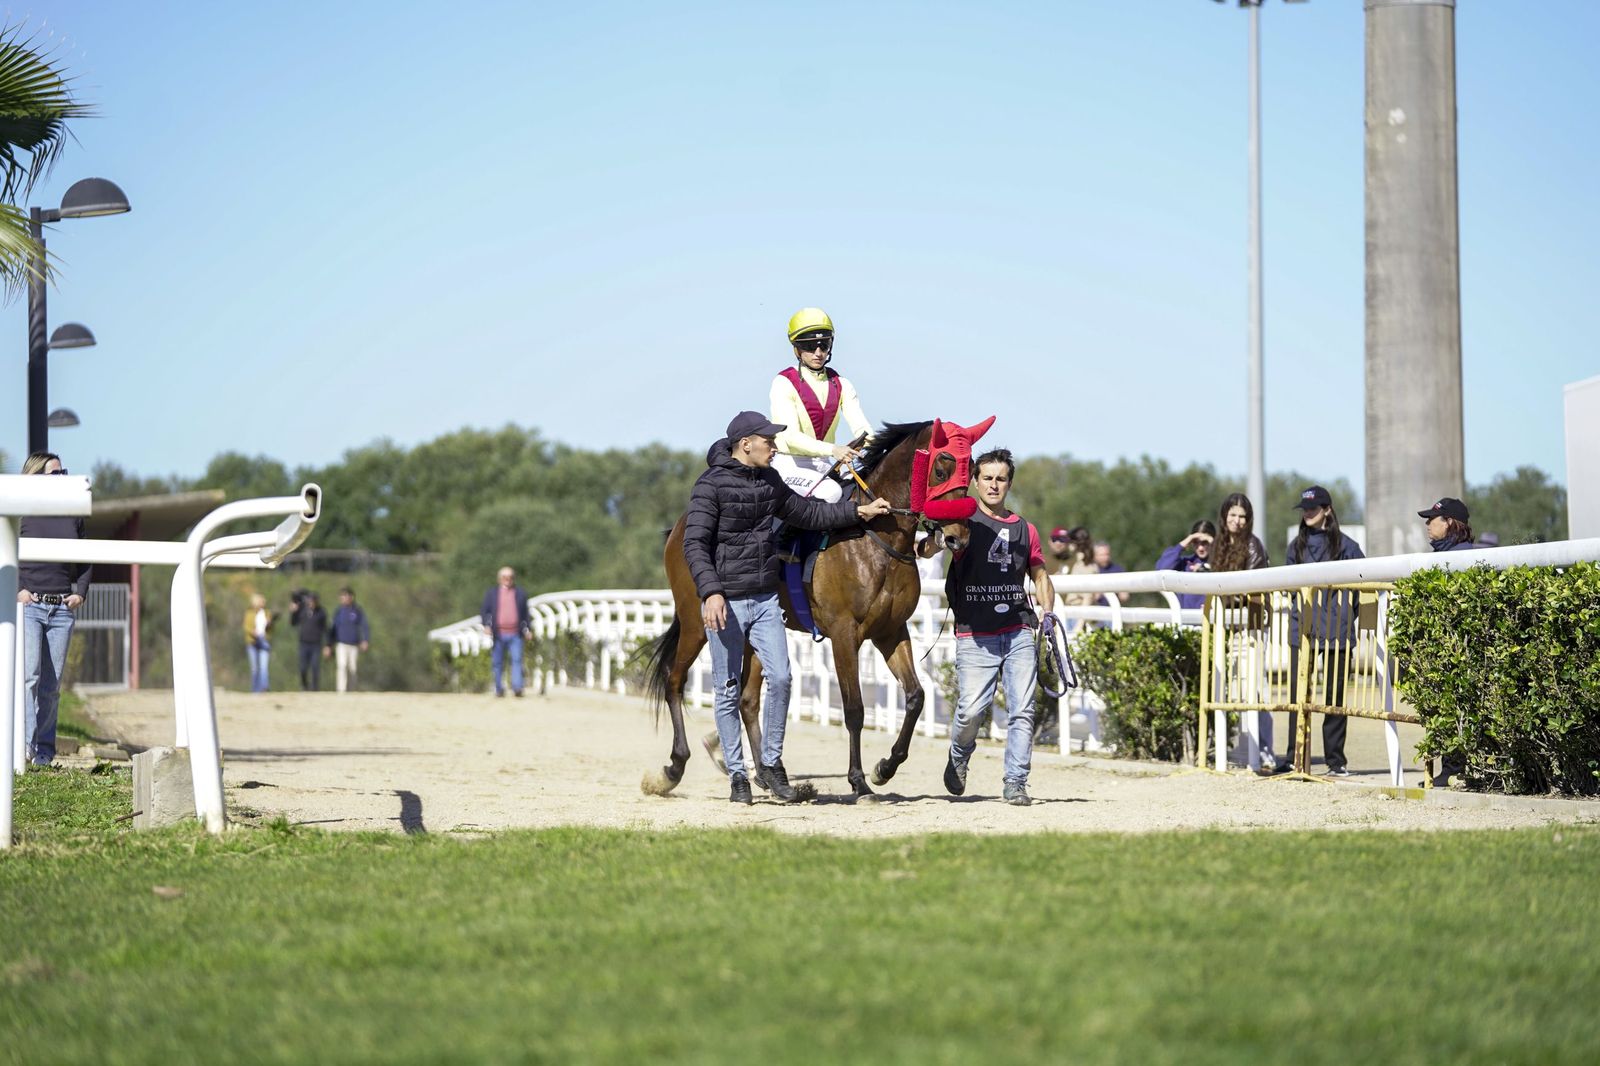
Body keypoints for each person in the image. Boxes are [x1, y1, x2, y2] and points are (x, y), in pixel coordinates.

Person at [685, 410, 891, 804]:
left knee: (780, 678)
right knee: (728, 690)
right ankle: (738, 776)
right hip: (726, 601)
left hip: (765, 599)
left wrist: (857, 511)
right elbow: (694, 543)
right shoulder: (710, 485)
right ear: (746, 444)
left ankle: (770, 764)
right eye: (768, 440)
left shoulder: (770, 480)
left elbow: (808, 512)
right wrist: (710, 592)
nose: (774, 446)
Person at [943, 447, 1056, 807]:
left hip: (1018, 628)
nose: (994, 485)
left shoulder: (1026, 529)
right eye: (988, 478)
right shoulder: (964, 522)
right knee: (971, 711)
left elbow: (1040, 574)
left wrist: (1047, 611)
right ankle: (959, 755)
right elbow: (927, 549)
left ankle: (1016, 782)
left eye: (1001, 479)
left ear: (1009, 484)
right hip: (975, 633)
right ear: (975, 482)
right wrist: (933, 539)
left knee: (1023, 710)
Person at [1281, 485, 1365, 777]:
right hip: (1301, 632)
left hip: (1337, 634)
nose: (1307, 513)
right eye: (1304, 508)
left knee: (1334, 699)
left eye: (1313, 508)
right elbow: (1290, 589)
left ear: (1327, 509)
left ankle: (1335, 761)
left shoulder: (1348, 547)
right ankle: (1295, 758)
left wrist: (1344, 617)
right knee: (1297, 697)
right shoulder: (1295, 546)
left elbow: (1362, 586)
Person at [15, 451, 89, 767]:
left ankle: (44, 751)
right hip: (30, 606)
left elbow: (85, 558)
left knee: (51, 687)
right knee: (29, 678)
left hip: (61, 610)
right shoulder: (21, 512)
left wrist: (80, 593)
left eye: (63, 472)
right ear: (35, 477)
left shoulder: (73, 513)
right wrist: (18, 589)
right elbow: (7, 552)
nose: (62, 478)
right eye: (55, 473)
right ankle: (24, 747)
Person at [767, 307, 873, 504]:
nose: (818, 353)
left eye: (824, 346)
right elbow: (790, 437)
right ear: (797, 349)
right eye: (809, 346)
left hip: (825, 464)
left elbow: (863, 428)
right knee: (831, 492)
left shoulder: (842, 384)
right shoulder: (783, 382)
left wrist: (876, 445)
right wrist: (834, 450)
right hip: (789, 464)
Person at [1208, 493, 1275, 770]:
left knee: (1255, 685)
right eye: (1233, 515)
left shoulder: (1253, 545)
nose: (1237, 521)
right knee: (1232, 684)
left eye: (1242, 516)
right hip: (1226, 624)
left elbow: (1254, 588)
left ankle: (1264, 750)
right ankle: (1240, 747)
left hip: (1252, 623)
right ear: (1224, 516)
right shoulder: (1218, 545)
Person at [1418, 497, 1475, 786]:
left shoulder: (1463, 556)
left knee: (1458, 707)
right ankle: (1451, 770)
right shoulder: (1443, 556)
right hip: (1448, 645)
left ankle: (1456, 770)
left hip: (1461, 647)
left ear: (1450, 522)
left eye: (1432, 520)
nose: (1428, 525)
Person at [480, 566, 532, 697]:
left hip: (516, 633)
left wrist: (528, 629)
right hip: (498, 634)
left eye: (510, 577)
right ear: (499, 579)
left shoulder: (520, 593)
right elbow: (485, 611)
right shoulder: (492, 594)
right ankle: (499, 688)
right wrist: (486, 625)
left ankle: (517, 687)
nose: (507, 579)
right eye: (504, 577)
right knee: (497, 662)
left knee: (517, 660)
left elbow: (526, 614)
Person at [1156, 520, 1216, 610]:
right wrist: (1183, 544)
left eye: (1205, 543)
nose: (1200, 548)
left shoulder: (1220, 564)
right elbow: (1161, 568)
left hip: (1212, 617)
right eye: (1195, 542)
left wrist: (1215, 544)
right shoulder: (1185, 563)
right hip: (1186, 617)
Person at [325, 587, 370, 692]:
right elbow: (332, 629)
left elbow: (364, 626)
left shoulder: (357, 610)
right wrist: (328, 645)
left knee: (352, 669)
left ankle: (352, 690)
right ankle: (341, 690)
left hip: (354, 645)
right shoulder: (338, 611)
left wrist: (365, 640)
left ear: (351, 597)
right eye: (342, 596)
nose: (343, 598)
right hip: (341, 644)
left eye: (345, 596)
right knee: (342, 666)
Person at [289, 590, 328, 691]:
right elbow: (293, 623)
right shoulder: (302, 611)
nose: (311, 603)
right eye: (309, 601)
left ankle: (315, 688)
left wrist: (327, 645)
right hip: (304, 643)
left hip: (316, 644)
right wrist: (293, 612)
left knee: (315, 666)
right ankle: (304, 686)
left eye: (313, 601)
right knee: (303, 667)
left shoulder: (321, 612)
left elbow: (325, 629)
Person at [241, 593, 275, 693]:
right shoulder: (249, 613)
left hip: (264, 640)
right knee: (254, 668)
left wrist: (269, 623)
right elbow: (246, 626)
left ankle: (264, 687)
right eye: (261, 601)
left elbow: (270, 628)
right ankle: (255, 689)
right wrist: (253, 632)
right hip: (253, 642)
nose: (263, 603)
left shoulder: (267, 613)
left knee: (264, 666)